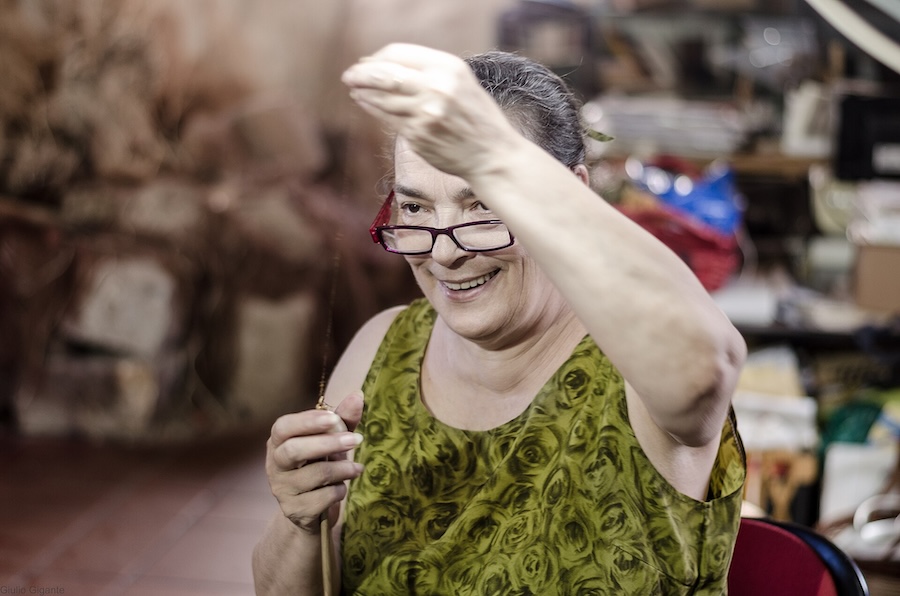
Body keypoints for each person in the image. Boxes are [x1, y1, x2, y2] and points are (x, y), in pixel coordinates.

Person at [253, 43, 747, 595]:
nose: (443, 254)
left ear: (569, 196)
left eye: (483, 204)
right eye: (416, 209)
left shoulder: (636, 367)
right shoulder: (382, 348)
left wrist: (492, 154)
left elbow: (707, 367)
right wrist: (300, 521)